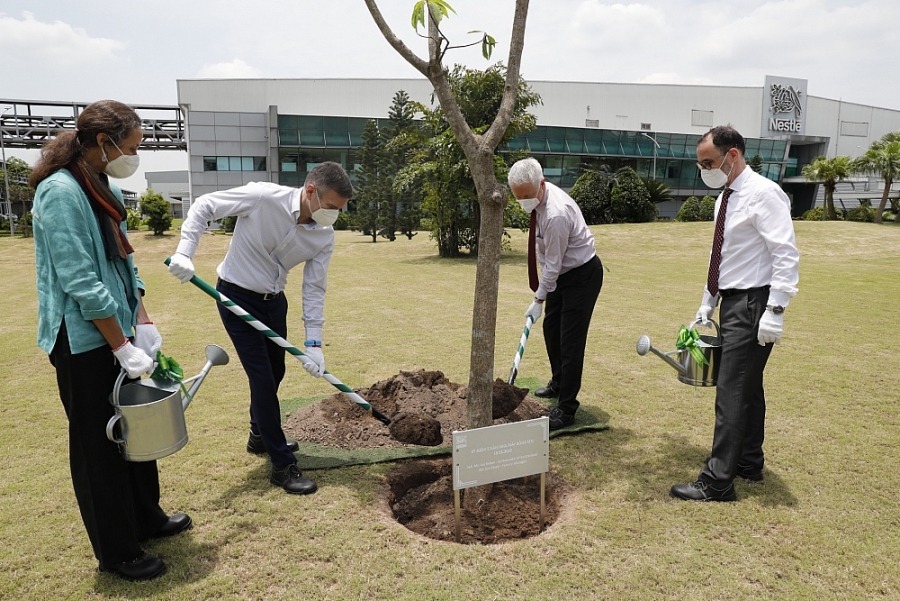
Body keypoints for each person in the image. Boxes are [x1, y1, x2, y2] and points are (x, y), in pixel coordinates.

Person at [31, 100, 191, 581]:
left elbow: (125, 262)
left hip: (119, 329)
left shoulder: (102, 184)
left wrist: (141, 319)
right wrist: (119, 343)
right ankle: (117, 551)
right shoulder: (60, 193)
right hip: (84, 340)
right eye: (131, 146)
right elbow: (79, 280)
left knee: (137, 427)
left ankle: (147, 517)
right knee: (99, 444)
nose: (134, 155)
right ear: (104, 143)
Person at [167, 163, 352, 495]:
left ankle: (258, 435)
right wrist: (185, 252)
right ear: (310, 191)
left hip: (273, 303)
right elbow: (204, 206)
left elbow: (313, 289)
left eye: (340, 209)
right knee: (262, 379)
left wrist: (314, 343)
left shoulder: (324, 236)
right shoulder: (263, 197)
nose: (334, 215)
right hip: (235, 296)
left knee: (276, 371)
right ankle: (282, 466)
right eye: (331, 206)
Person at [671, 125, 800, 502]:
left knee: (731, 389)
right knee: (748, 385)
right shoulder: (723, 198)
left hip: (753, 302)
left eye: (709, 162)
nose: (704, 170)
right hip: (731, 301)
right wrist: (707, 303)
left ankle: (717, 481)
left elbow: (785, 254)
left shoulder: (764, 194)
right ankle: (747, 461)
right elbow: (721, 257)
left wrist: (776, 310)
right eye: (700, 164)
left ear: (732, 155)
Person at [507, 158, 604, 430]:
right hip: (562, 275)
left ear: (541, 184)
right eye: (518, 197)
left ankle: (567, 408)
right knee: (552, 329)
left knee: (570, 340)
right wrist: (543, 295)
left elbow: (553, 264)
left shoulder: (556, 214)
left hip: (581, 275)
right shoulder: (538, 202)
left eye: (527, 196)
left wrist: (538, 299)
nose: (524, 202)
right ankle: (558, 381)